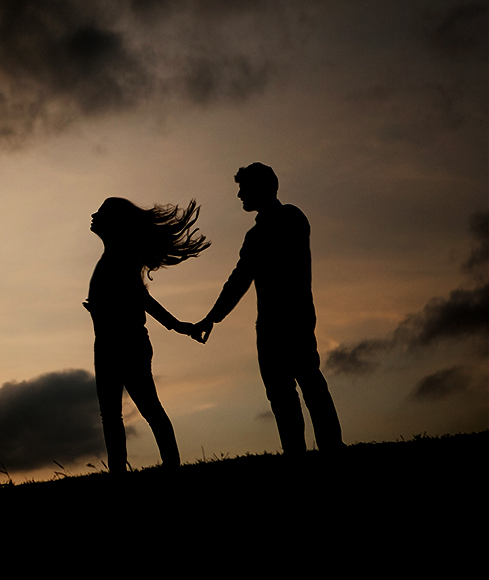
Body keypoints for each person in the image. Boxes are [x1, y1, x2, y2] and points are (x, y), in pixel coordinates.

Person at [191, 163, 343, 454]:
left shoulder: (287, 219)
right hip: (273, 321)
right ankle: (300, 451)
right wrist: (213, 318)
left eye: (243, 188)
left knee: (307, 383)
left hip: (292, 317)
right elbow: (239, 279)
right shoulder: (261, 233)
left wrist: (212, 318)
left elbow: (241, 278)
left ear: (261, 188)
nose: (239, 195)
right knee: (283, 392)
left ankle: (330, 447)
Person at [84, 197, 209, 473]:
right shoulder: (112, 257)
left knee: (146, 409)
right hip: (106, 344)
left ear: (114, 224)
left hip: (126, 343)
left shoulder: (119, 258)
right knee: (112, 414)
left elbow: (141, 299)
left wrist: (176, 325)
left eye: (101, 213)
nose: (94, 216)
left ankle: (171, 465)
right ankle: (120, 470)